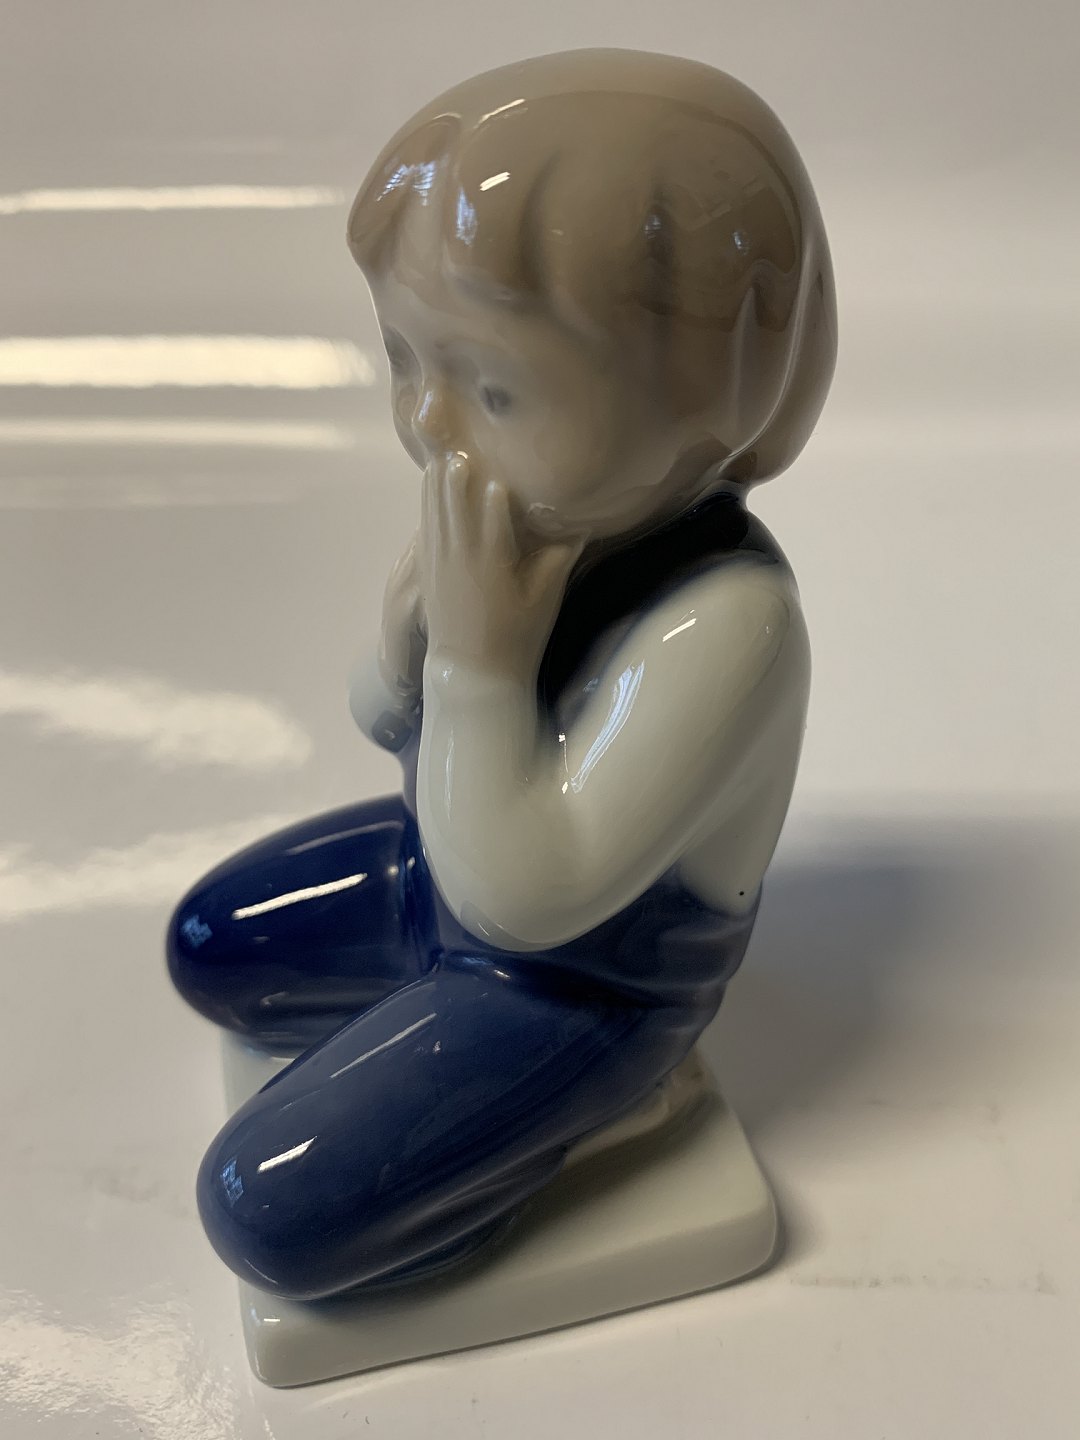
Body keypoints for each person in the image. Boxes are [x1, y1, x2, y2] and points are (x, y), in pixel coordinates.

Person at [168, 49, 836, 1300]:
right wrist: (406, 648)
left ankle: (602, 1118)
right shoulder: (519, 526)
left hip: (574, 990)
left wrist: (482, 664)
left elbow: (533, 893)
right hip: (442, 878)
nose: (431, 424)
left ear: (706, 392)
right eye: (405, 359)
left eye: (491, 385)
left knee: (262, 1207)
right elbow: (384, 722)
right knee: (210, 944)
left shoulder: (726, 627)